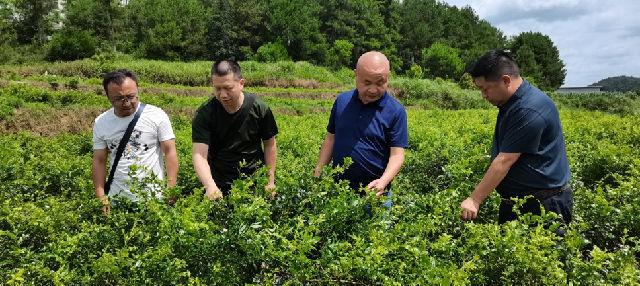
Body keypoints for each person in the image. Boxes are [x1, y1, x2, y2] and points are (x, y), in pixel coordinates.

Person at [460, 50, 573, 225]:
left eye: (485, 88)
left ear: (505, 81)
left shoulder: (529, 108)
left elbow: (505, 160)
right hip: (517, 201)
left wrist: (475, 200)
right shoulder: (512, 103)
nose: (483, 95)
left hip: (543, 206)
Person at [313, 51, 408, 199]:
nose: (373, 90)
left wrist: (383, 182)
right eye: (367, 82)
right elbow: (331, 138)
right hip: (338, 191)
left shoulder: (396, 111)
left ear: (388, 77)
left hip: (375, 195)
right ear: (356, 75)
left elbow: (397, 154)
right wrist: (319, 170)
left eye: (380, 83)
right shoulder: (342, 102)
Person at [92, 69, 179, 215]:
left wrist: (171, 187)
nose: (126, 103)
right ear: (108, 97)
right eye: (118, 99)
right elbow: (99, 161)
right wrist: (101, 196)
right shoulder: (101, 122)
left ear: (138, 90)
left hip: (154, 199)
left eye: (131, 97)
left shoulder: (156, 115)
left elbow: (170, 152)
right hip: (117, 201)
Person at [192, 60, 278, 200]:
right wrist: (210, 186)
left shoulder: (259, 108)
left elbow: (270, 145)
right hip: (218, 183)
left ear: (241, 83)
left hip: (255, 182)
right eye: (217, 89)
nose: (223, 95)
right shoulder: (205, 113)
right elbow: (199, 155)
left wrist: (270, 181)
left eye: (228, 88)